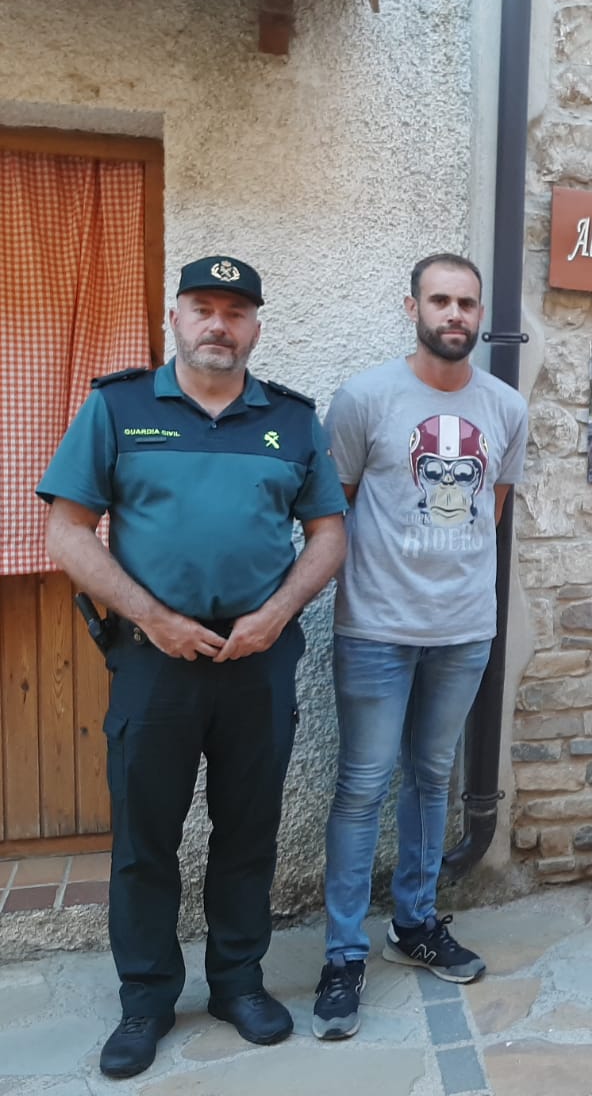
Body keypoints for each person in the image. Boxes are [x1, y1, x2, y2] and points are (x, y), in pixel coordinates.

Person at [36, 256, 348, 1079]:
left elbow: (328, 537)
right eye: (203, 308)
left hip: (258, 659)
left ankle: (238, 984)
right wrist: (152, 617)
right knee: (146, 837)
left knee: (249, 830)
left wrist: (275, 615)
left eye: (236, 312)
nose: (220, 325)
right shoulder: (119, 407)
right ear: (175, 317)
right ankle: (145, 999)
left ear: (255, 326)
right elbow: (67, 533)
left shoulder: (290, 421)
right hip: (154, 661)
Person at [313, 252, 529, 1039]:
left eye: (467, 303)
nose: (455, 314)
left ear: (479, 315)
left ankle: (415, 922)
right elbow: (329, 510)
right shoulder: (365, 399)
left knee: (432, 780)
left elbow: (489, 507)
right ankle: (342, 955)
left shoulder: (505, 406)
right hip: (374, 628)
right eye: (440, 300)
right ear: (412, 307)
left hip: (463, 632)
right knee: (363, 787)